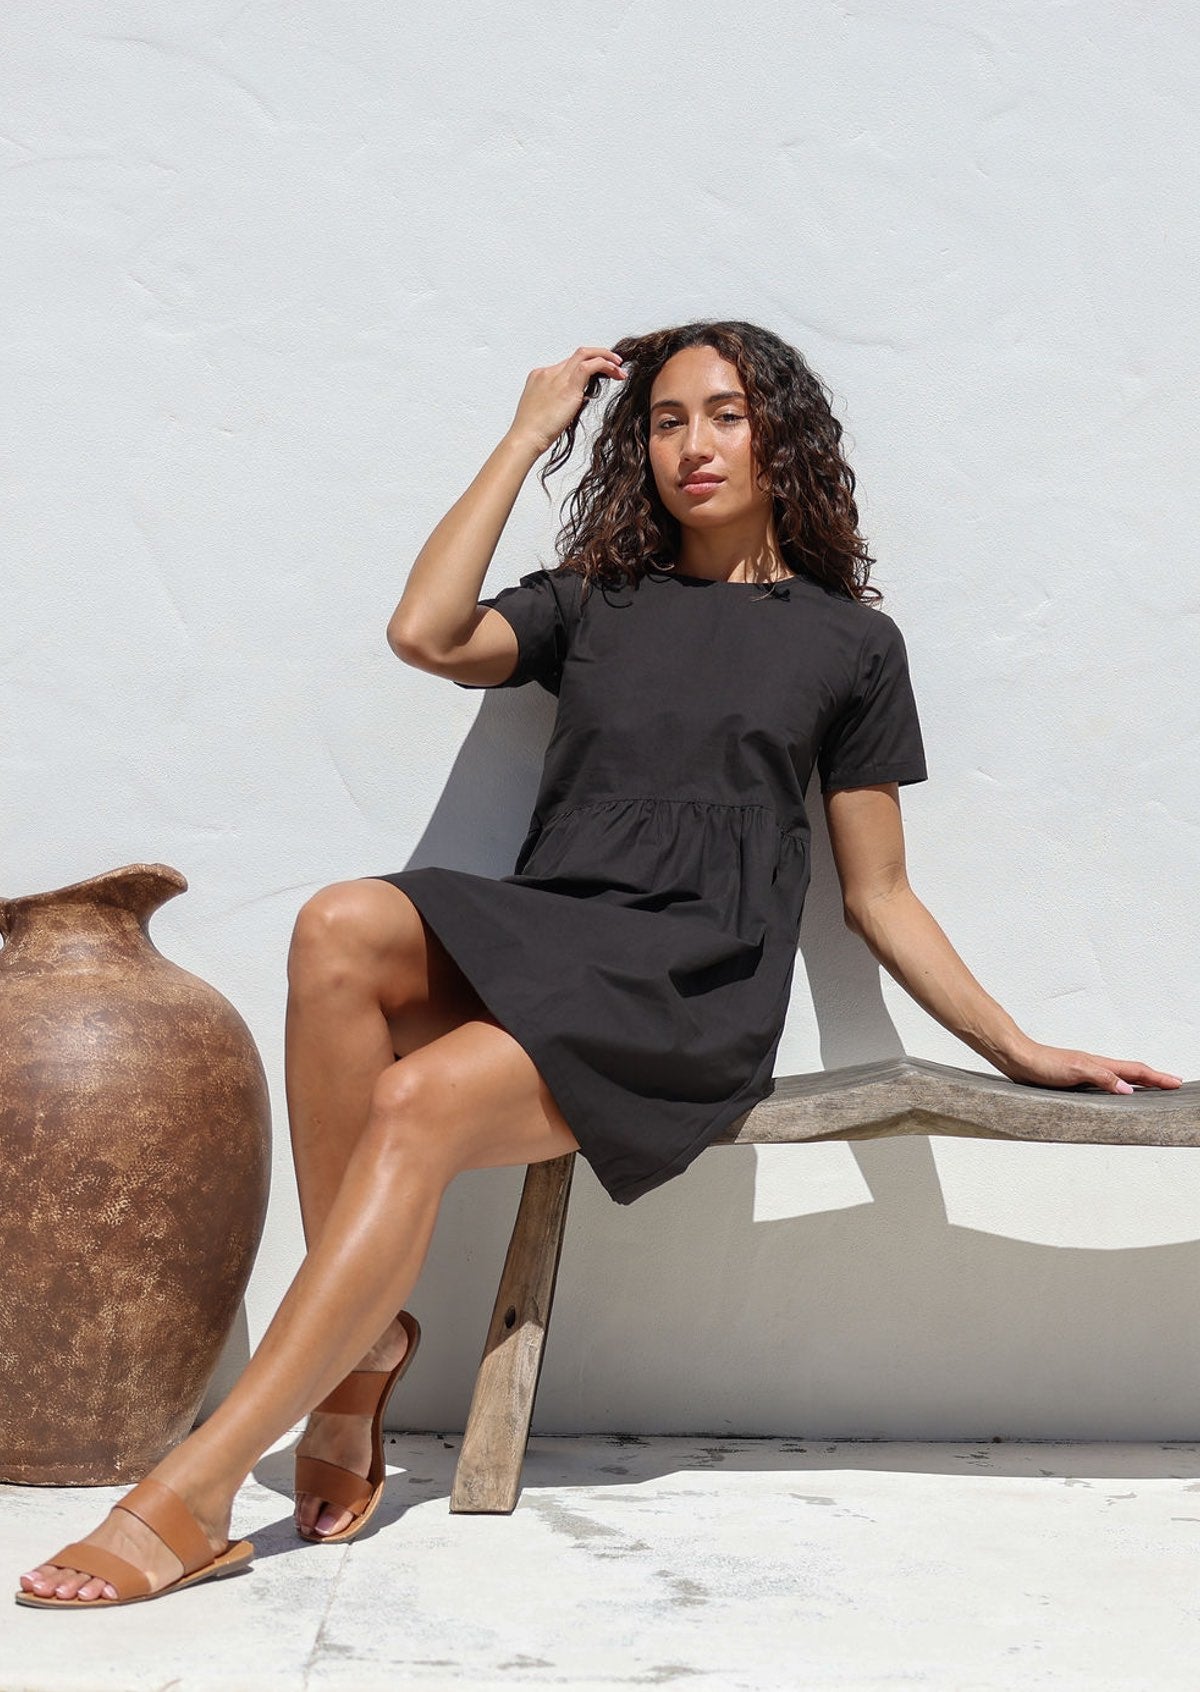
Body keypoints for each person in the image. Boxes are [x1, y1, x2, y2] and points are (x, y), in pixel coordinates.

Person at [16, 320, 1182, 1608]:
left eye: (727, 414)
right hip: (557, 930)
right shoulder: (595, 602)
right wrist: (529, 432)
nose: (695, 445)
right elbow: (424, 632)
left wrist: (1019, 1047)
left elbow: (881, 895)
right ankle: (357, 1353)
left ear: (781, 437)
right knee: (339, 922)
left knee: (416, 1099)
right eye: (668, 420)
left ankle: (196, 1487)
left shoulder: (851, 643)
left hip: (688, 981)